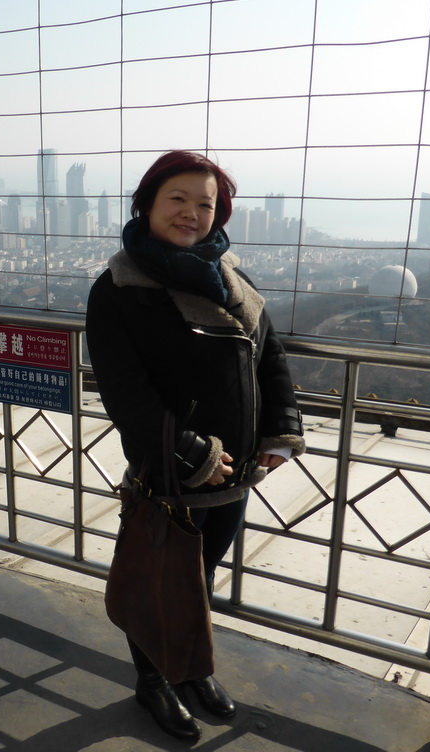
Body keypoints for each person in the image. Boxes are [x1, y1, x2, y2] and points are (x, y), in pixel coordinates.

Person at [86, 150, 305, 741]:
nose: (191, 213)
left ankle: (191, 668)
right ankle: (153, 681)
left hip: (235, 476)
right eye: (177, 199)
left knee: (199, 576)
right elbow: (125, 393)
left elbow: (271, 356)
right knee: (160, 579)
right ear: (148, 204)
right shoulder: (120, 288)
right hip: (171, 468)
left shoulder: (232, 276)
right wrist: (190, 455)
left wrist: (281, 430)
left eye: (205, 203)